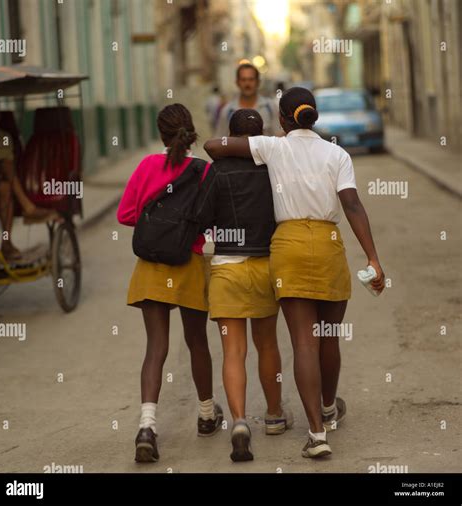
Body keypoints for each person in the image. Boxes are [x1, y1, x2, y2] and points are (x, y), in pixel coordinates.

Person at [204, 87, 385, 459]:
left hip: (287, 248)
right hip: (329, 243)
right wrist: (373, 259)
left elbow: (214, 145)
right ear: (314, 116)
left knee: (304, 342)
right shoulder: (337, 154)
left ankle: (317, 435)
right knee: (329, 338)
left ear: (284, 119)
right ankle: (330, 408)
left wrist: (245, 140)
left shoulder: (273, 147)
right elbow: (351, 204)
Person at [117, 103, 223, 463]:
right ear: (190, 131)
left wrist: (157, 225)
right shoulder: (205, 172)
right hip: (189, 263)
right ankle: (207, 415)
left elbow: (126, 214)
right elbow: (213, 220)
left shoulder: (147, 166)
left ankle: (147, 427)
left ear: (160, 132)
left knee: (155, 348)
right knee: (197, 343)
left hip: (150, 264)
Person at [196, 109, 293, 462]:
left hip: (227, 268)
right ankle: (273, 415)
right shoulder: (274, 169)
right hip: (267, 265)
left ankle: (238, 423)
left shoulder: (216, 172)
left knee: (232, 351)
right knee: (268, 345)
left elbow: (201, 216)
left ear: (230, 136)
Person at [0, 97, 60, 260]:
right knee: (6, 168)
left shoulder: (4, 138)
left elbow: (8, 167)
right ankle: (28, 206)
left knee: (6, 185)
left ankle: (6, 243)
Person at [214, 63, 280, 137]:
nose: (247, 84)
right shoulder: (227, 111)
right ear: (237, 82)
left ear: (258, 82)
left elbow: (278, 137)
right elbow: (220, 140)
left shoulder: (270, 107)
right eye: (243, 80)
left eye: (251, 79)